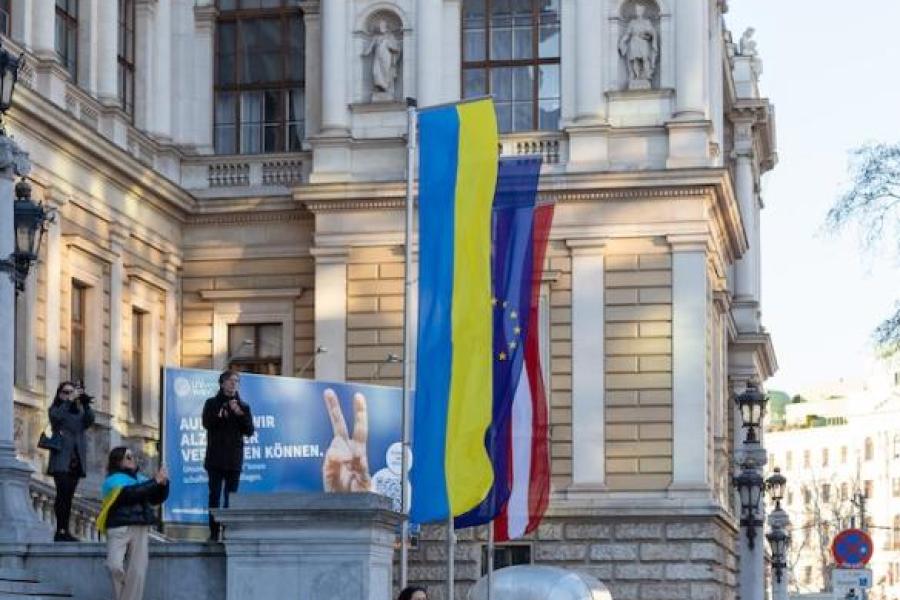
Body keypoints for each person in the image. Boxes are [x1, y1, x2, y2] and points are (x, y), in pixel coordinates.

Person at [98, 447, 169, 600]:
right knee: (114, 565)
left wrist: (163, 483)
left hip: (140, 527)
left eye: (133, 456)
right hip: (119, 527)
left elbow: (156, 498)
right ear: (118, 461)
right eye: (128, 457)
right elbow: (130, 494)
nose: (133, 459)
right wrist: (154, 481)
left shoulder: (141, 479)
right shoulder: (112, 481)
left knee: (138, 571)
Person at [202, 369, 254, 541]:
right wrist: (220, 415)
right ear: (222, 383)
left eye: (237, 381)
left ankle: (228, 532)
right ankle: (214, 532)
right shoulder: (211, 403)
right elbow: (206, 423)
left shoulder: (244, 406)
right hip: (215, 458)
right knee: (214, 496)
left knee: (231, 498)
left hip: (234, 459)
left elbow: (249, 431)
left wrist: (239, 413)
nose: (234, 384)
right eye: (231, 381)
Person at [47, 380, 95, 541]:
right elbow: (56, 416)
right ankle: (60, 530)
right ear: (60, 395)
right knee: (62, 494)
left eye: (71, 392)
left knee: (69, 496)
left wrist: (86, 404)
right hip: (61, 459)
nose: (69, 395)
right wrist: (68, 401)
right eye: (65, 392)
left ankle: (64, 530)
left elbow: (89, 420)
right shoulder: (56, 409)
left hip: (76, 460)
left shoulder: (79, 412)